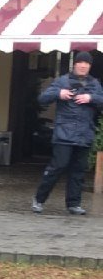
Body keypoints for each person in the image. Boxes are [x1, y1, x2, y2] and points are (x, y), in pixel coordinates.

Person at [32, 51, 103, 215]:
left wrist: (90, 98)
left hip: (85, 134)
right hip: (64, 134)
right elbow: (42, 98)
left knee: (78, 171)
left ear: (89, 66)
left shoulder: (94, 83)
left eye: (87, 64)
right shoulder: (62, 81)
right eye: (81, 63)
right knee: (58, 167)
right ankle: (39, 199)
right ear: (75, 64)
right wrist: (59, 93)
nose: (83, 66)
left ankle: (73, 204)